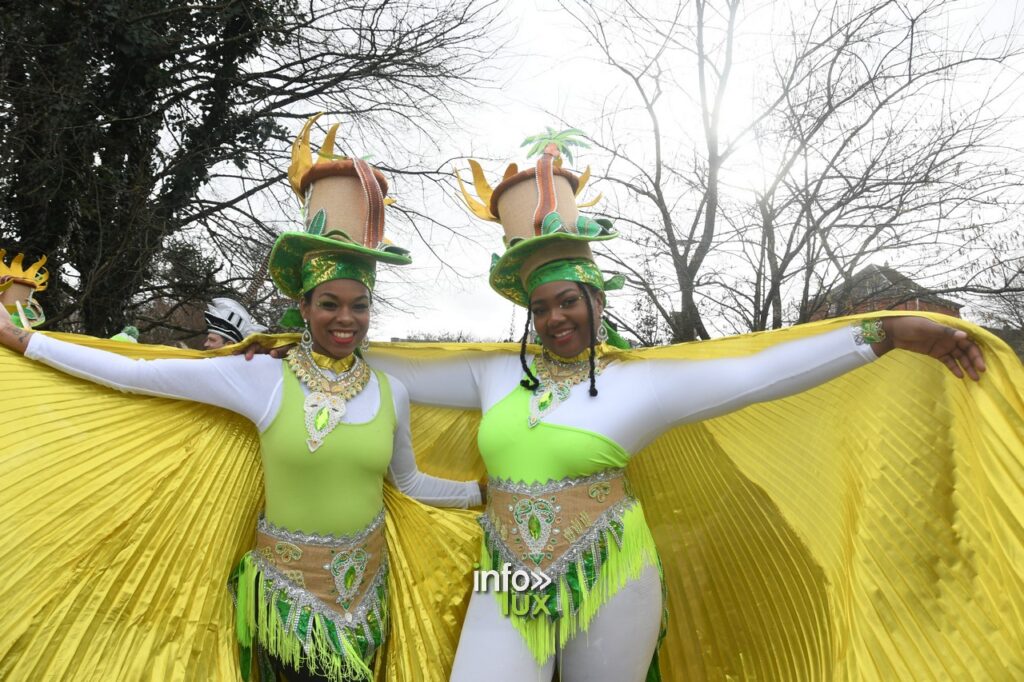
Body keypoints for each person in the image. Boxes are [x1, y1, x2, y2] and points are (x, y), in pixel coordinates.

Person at [354, 142, 989, 681]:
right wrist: (300, 338)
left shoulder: (644, 383)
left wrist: (885, 334)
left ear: (595, 296)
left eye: (568, 300)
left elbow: (758, 374)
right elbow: (387, 365)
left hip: (615, 576)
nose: (555, 318)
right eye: (541, 306)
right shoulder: (492, 372)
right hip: (508, 579)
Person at [0, 117, 481, 682]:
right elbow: (135, 375)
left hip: (369, 600)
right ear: (304, 306)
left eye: (359, 305)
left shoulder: (390, 391)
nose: (345, 318)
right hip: (288, 604)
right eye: (329, 303)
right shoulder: (261, 378)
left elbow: (411, 483)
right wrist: (28, 342)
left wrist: (482, 493)